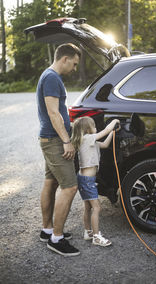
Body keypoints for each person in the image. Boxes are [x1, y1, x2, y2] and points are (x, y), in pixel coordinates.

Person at [37, 43, 81, 256]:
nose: (74, 68)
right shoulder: (53, 78)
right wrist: (66, 140)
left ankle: (47, 230)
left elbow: (56, 112)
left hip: (50, 139)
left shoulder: (48, 75)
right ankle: (56, 238)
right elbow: (54, 113)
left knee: (51, 182)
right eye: (74, 63)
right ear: (65, 58)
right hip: (55, 140)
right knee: (70, 187)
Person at [71, 116, 120, 247]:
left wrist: (112, 132)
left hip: (84, 178)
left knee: (88, 207)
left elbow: (105, 144)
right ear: (87, 129)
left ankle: (88, 232)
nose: (95, 127)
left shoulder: (88, 141)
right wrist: (114, 122)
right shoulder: (87, 139)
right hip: (87, 180)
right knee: (97, 207)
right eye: (93, 125)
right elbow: (103, 133)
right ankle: (97, 237)